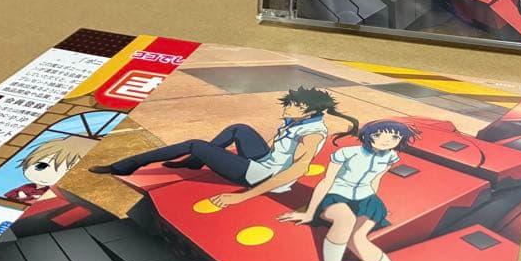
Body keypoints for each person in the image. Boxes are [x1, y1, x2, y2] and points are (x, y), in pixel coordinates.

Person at [90, 87, 356, 210]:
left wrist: (242, 197)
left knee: (194, 144)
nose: (287, 107)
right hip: (266, 161)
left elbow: (297, 169)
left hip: (261, 176)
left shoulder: (311, 133)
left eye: (295, 105)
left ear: (310, 111)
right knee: (240, 128)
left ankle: (123, 166)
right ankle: (195, 161)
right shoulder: (301, 120)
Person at [278, 120, 426, 261]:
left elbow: (375, 181)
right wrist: (310, 213)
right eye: (380, 135)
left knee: (358, 240)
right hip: (336, 197)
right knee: (345, 219)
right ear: (369, 135)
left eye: (394, 137)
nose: (387, 140)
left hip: (367, 201)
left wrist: (375, 205)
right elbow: (326, 182)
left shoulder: (391, 157)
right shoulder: (346, 154)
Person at [4, 135, 93, 204]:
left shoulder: (61, 194)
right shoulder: (27, 187)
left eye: (68, 172)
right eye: (41, 166)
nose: (49, 175)